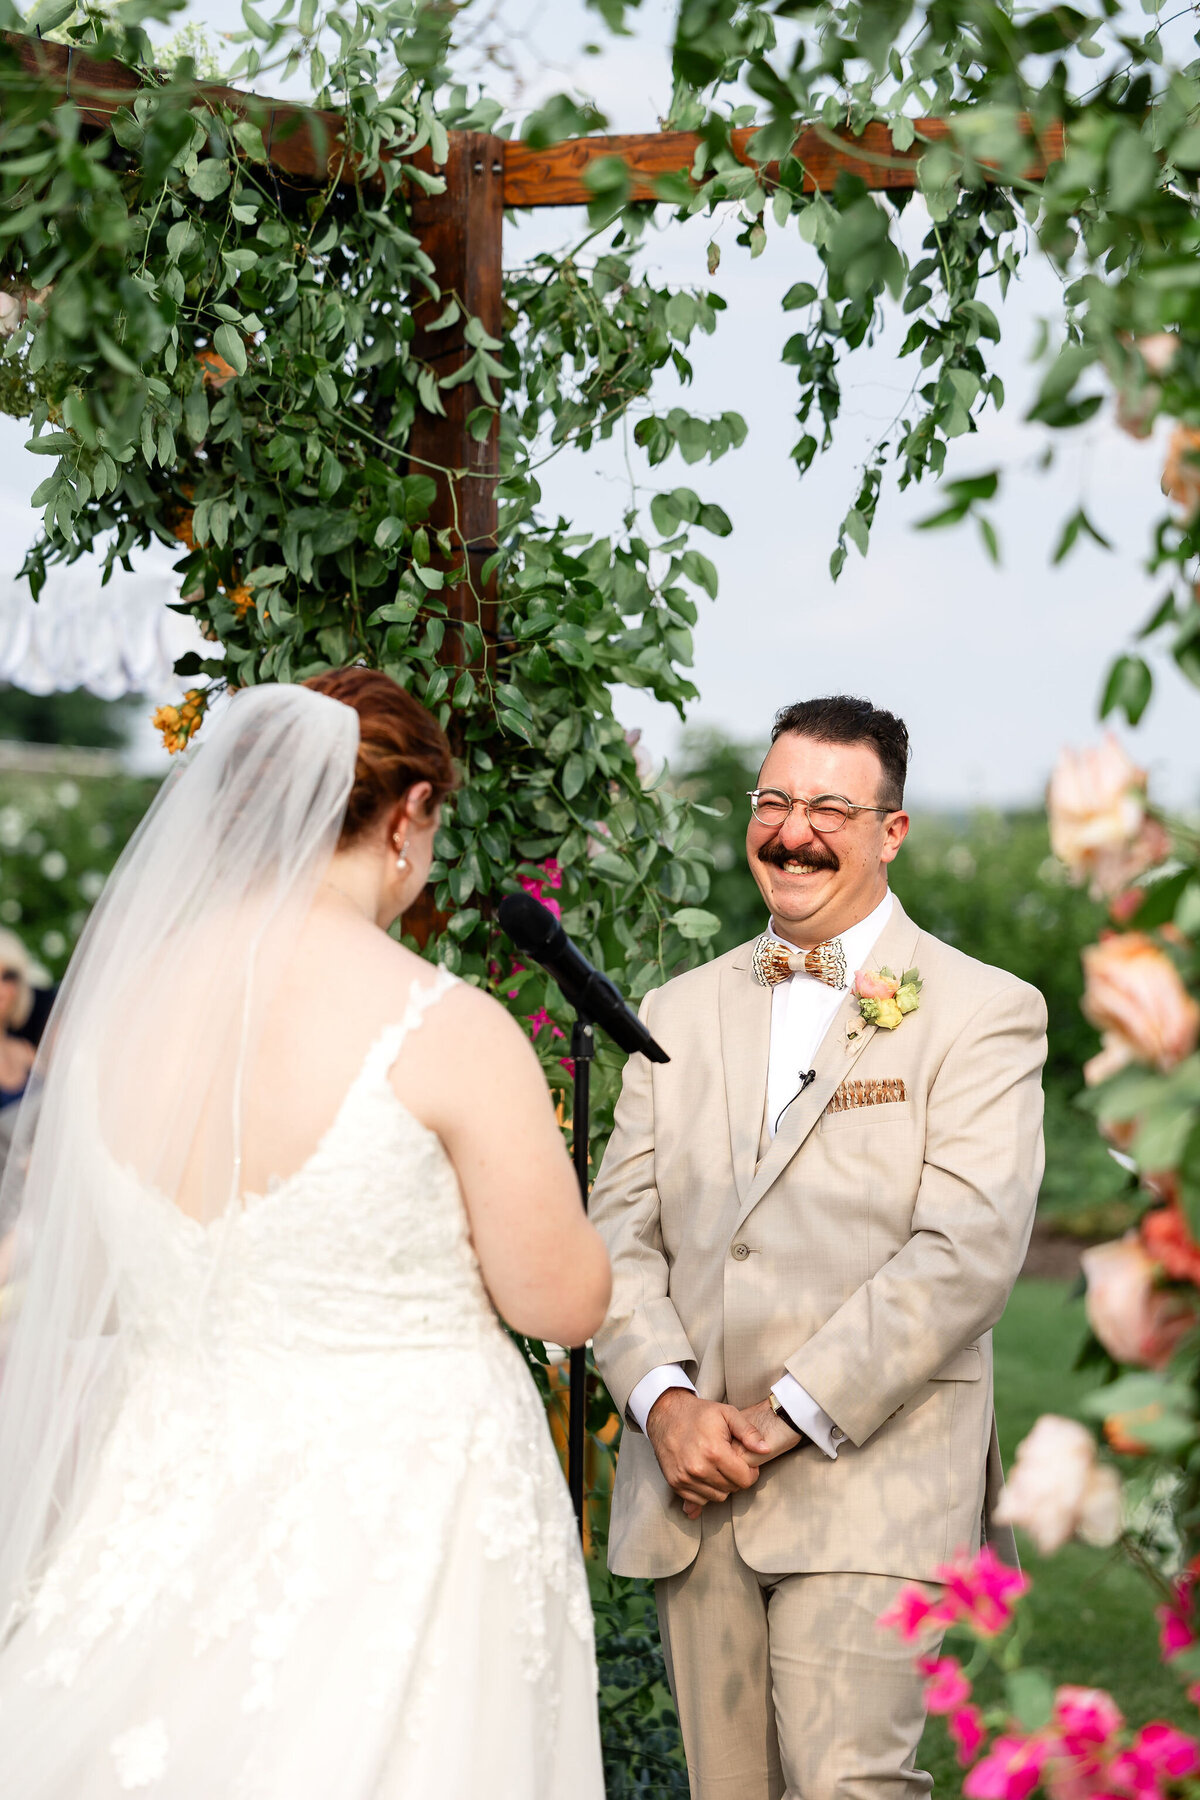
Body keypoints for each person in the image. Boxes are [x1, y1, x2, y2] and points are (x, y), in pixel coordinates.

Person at [0, 671, 610, 1799]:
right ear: (408, 813)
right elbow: (561, 1303)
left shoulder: (105, 1028)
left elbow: (89, 1288)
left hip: (170, 1486)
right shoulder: (445, 1028)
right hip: (408, 1510)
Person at [590, 695, 1047, 1800]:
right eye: (776, 801)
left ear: (892, 830)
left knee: (849, 1787)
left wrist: (783, 1414)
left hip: (872, 1480)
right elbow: (618, 1230)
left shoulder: (983, 1012)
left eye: (831, 808)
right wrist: (665, 1401)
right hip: (694, 1489)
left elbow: (965, 1254)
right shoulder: (675, 1010)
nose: (793, 831)